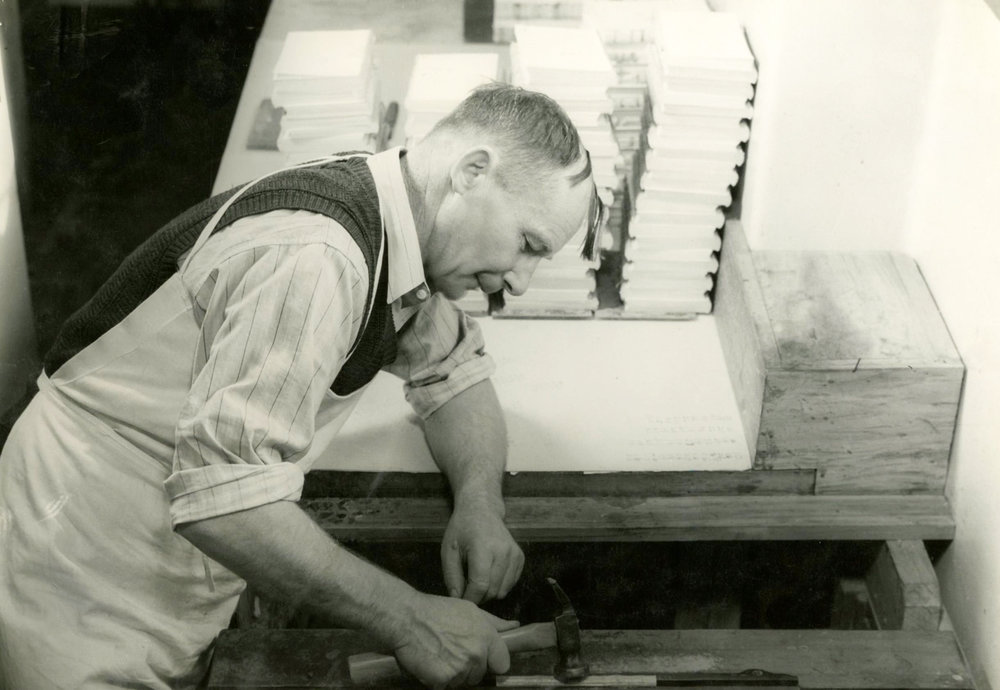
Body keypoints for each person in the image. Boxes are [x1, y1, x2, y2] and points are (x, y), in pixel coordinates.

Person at [0, 83, 603, 689]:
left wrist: (480, 505)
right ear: (473, 171)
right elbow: (229, 503)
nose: (521, 281)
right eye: (527, 244)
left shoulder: (399, 226)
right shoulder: (320, 254)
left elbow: (454, 371)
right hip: (84, 557)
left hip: (169, 549)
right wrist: (414, 620)